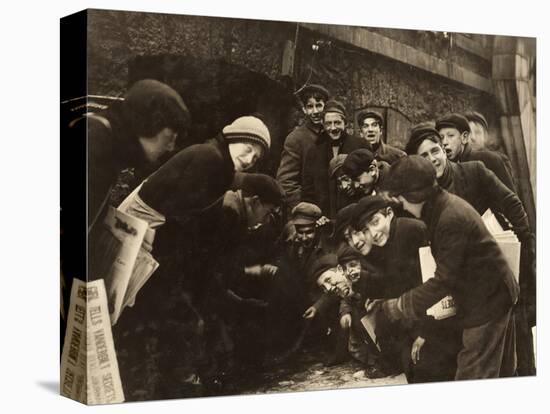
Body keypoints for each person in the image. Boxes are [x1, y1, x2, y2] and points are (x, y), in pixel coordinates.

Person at [379, 155, 520, 380]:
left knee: (471, 377)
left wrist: (401, 305)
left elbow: (444, 280)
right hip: (489, 294)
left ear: (416, 195)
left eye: (402, 198)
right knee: (499, 376)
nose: (402, 205)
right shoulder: (441, 207)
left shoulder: (449, 218)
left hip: (489, 301)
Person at [84, 79, 191, 229]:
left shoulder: (105, 143)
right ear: (146, 125)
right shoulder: (94, 145)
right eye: (168, 137)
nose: (170, 147)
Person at [302, 100, 370, 218]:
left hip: (354, 215)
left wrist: (356, 186)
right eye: (328, 123)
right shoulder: (313, 152)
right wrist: (315, 215)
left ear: (345, 123)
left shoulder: (361, 146)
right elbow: (308, 190)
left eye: (337, 123)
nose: (333, 128)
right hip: (323, 219)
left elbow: (371, 179)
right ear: (323, 124)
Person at [277, 84, 330, 211]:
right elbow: (286, 182)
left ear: (325, 107)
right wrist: (304, 209)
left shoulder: (332, 134)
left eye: (319, 105)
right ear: (304, 110)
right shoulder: (295, 139)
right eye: (310, 106)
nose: (315, 111)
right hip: (306, 209)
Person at [435, 113, 516, 192]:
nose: (473, 138)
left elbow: (510, 197)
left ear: (486, 136)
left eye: (477, 132)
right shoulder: (447, 165)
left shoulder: (494, 160)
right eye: (470, 133)